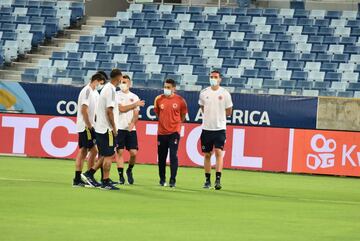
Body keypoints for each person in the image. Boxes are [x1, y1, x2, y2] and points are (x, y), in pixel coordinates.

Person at [82, 69, 122, 190]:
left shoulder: (106, 88)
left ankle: (90, 173)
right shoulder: (111, 90)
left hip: (101, 128)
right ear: (119, 78)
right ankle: (105, 181)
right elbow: (109, 111)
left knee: (106, 154)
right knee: (109, 155)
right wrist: (114, 127)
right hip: (107, 129)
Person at [198, 70, 233, 190]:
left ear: (220, 79)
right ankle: (207, 180)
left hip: (219, 128)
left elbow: (229, 111)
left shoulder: (225, 93)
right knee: (207, 154)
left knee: (219, 152)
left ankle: (218, 180)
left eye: (215, 77)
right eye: (211, 77)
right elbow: (202, 107)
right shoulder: (204, 93)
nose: (213, 78)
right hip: (207, 128)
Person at [73, 73, 105, 187]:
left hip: (90, 125)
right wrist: (89, 126)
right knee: (91, 151)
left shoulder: (94, 92)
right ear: (96, 80)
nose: (101, 85)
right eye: (101, 83)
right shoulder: (87, 91)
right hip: (86, 126)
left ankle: (78, 178)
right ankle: (87, 177)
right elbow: (84, 110)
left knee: (84, 151)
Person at [154, 79, 188, 188]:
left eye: (168, 87)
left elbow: (183, 116)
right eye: (165, 87)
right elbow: (158, 114)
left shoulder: (180, 100)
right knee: (162, 157)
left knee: (173, 156)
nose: (166, 89)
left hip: (174, 132)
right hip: (161, 132)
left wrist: (176, 124)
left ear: (174, 88)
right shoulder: (158, 99)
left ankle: (172, 180)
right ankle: (162, 179)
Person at [115, 75, 145, 184]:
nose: (123, 84)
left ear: (130, 83)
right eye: (122, 82)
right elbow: (121, 109)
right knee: (120, 152)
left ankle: (129, 170)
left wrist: (132, 123)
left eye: (125, 82)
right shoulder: (116, 95)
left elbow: (136, 114)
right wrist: (135, 105)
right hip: (119, 127)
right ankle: (120, 176)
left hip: (130, 129)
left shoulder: (134, 96)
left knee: (133, 153)